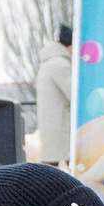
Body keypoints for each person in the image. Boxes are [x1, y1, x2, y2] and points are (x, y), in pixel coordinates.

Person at [35, 24, 75, 165]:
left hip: (53, 121)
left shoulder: (50, 62)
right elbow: (73, 93)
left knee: (51, 163)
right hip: (60, 123)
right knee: (65, 163)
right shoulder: (59, 64)